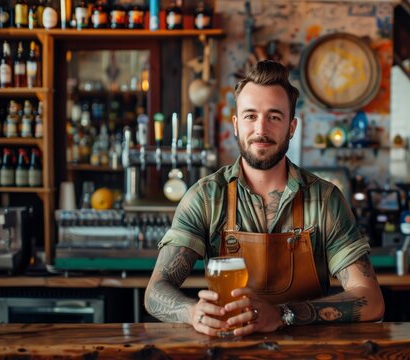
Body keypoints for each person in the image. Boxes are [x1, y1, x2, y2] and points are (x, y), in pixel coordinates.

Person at [145, 60, 384, 337]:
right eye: (250, 116)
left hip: (308, 354)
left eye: (274, 116)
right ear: (235, 124)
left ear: (291, 127)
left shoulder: (324, 199)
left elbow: (371, 300)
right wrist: (191, 313)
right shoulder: (206, 197)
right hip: (228, 351)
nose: (261, 129)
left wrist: (284, 314)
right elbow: (155, 292)